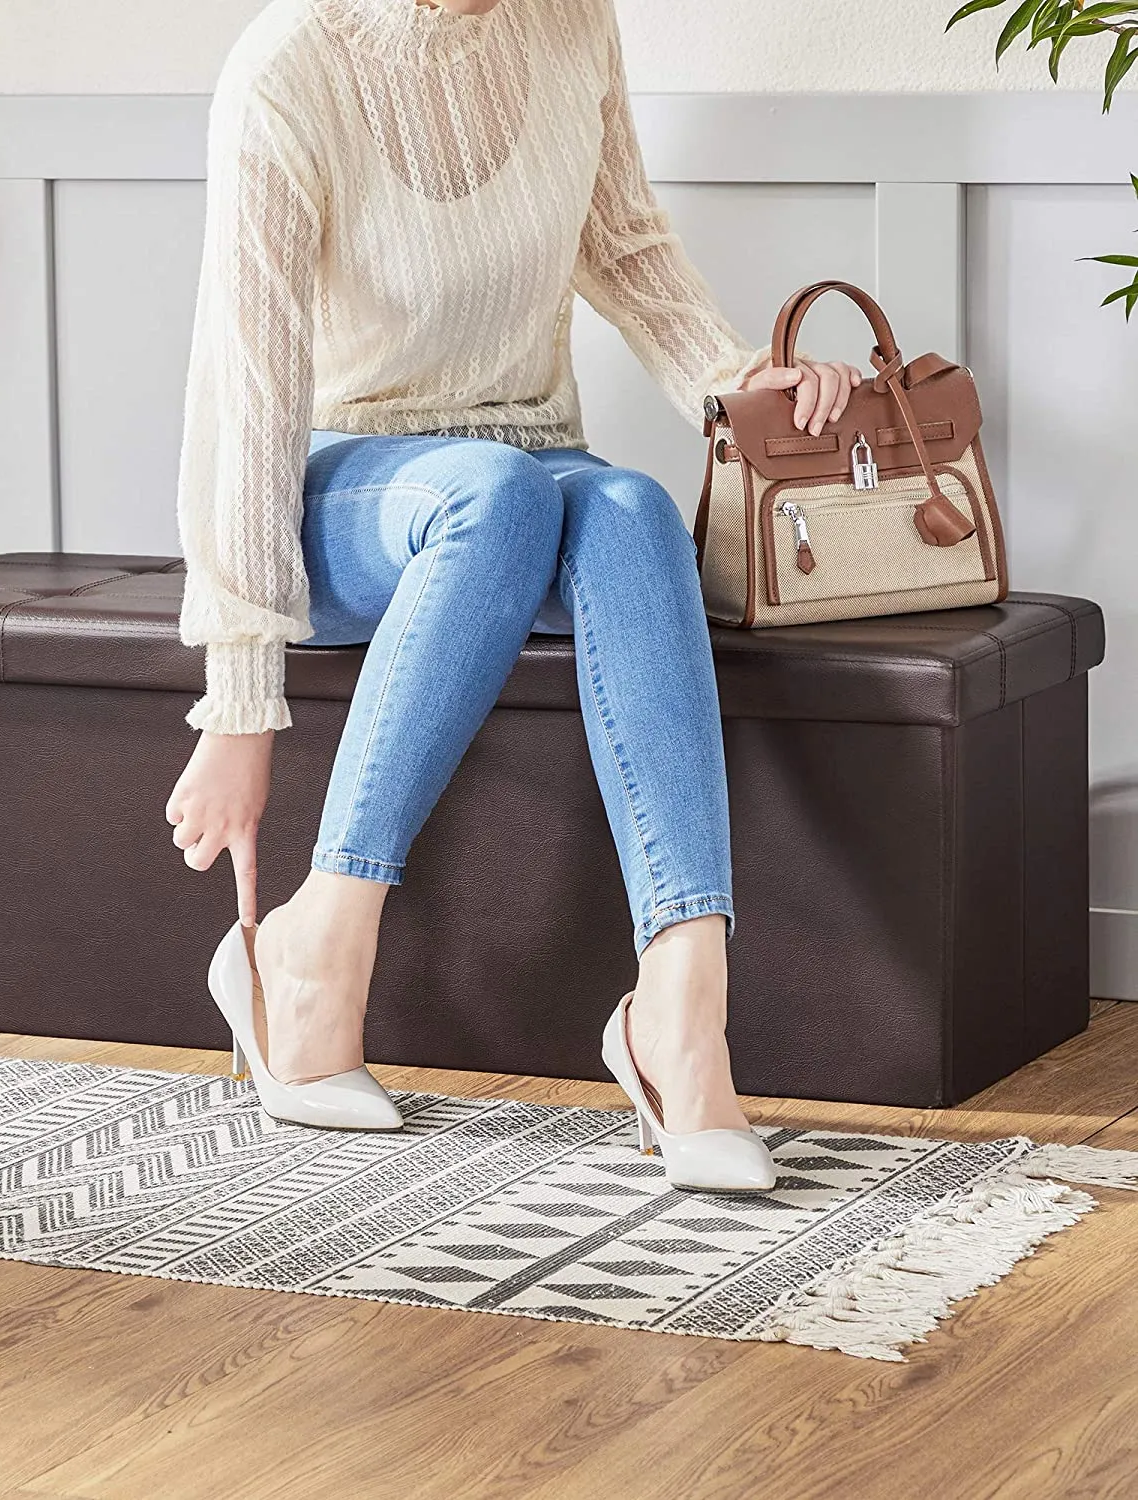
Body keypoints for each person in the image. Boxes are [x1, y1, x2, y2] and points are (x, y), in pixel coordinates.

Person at [165, 0, 861, 1192]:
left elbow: (625, 241)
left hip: (524, 465)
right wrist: (240, 698)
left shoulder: (570, 24)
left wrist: (745, 378)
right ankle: (311, 948)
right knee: (495, 493)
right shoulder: (289, 65)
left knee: (634, 509)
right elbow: (251, 398)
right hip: (347, 484)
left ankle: (681, 1019)